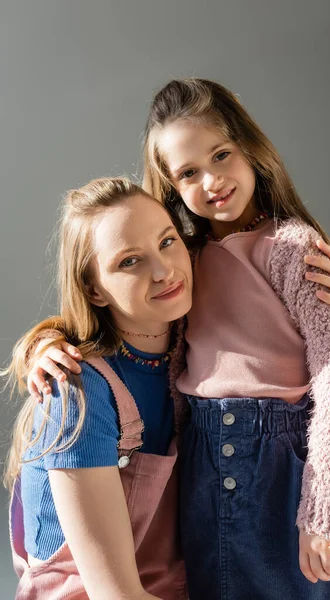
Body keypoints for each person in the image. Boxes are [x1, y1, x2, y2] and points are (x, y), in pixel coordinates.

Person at [24, 79, 330, 600]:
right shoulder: (186, 262)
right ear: (172, 186)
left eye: (221, 155)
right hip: (205, 462)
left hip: (284, 469)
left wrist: (325, 508)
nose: (212, 180)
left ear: (250, 149)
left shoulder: (292, 249)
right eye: (189, 173)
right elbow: (120, 321)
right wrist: (40, 344)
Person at [3, 177, 192, 599]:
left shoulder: (194, 348)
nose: (164, 271)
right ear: (93, 289)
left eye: (167, 242)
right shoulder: (76, 393)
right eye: (129, 262)